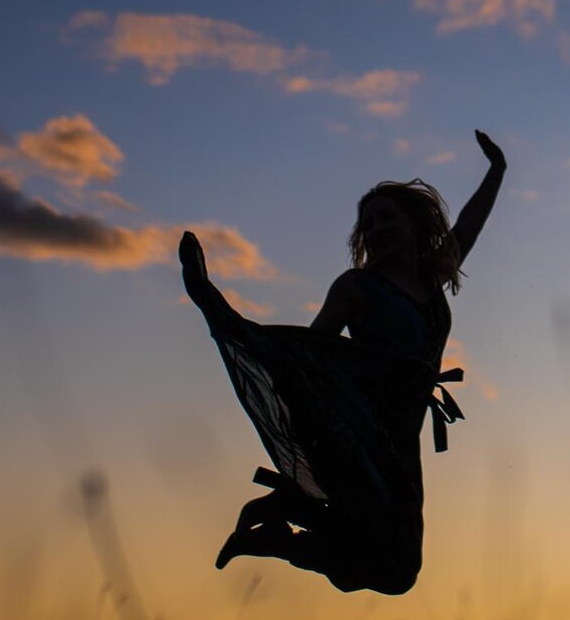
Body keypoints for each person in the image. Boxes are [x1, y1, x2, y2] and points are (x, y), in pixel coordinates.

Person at [179, 131, 506, 594]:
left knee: (395, 569)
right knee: (387, 562)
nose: (376, 230)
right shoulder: (357, 287)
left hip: (402, 435)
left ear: (415, 224)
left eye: (386, 218)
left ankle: (278, 527)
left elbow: (471, 222)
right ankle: (281, 525)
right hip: (358, 429)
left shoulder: (432, 277)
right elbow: (311, 353)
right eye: (368, 224)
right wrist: (221, 314)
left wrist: (497, 170)